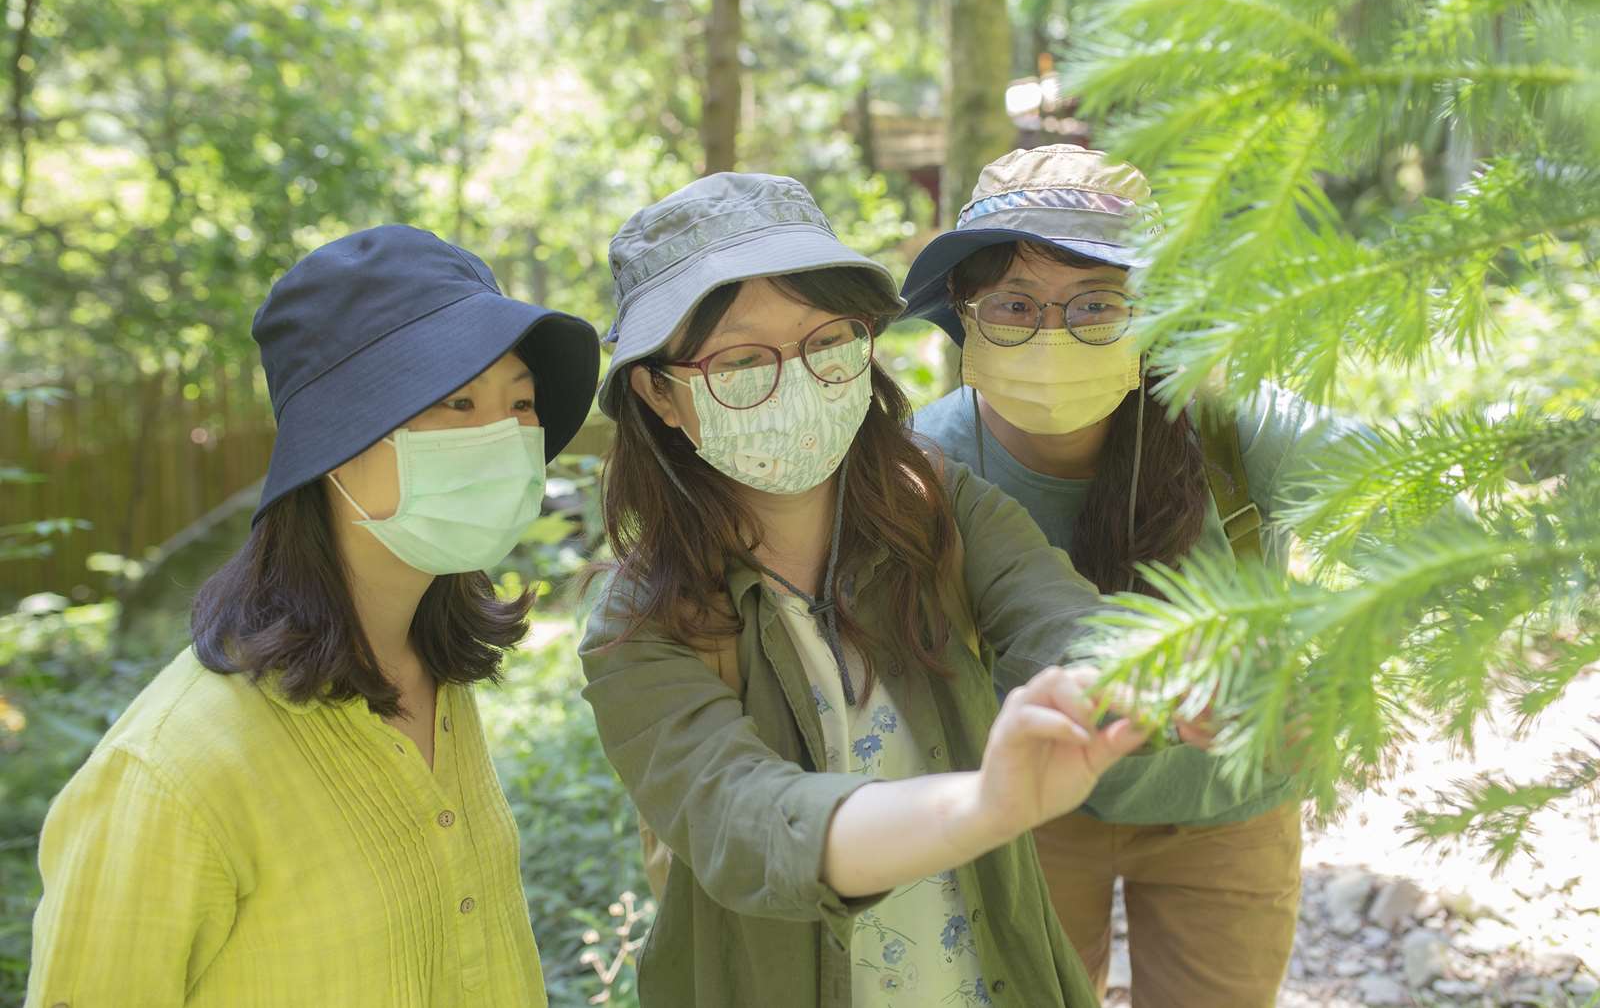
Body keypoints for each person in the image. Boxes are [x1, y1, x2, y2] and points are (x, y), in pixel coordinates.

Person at [578, 171, 1149, 1008]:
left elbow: (1058, 617)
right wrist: (980, 806)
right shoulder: (641, 626)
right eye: (741, 361)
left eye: (828, 341)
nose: (798, 381)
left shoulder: (938, 508)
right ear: (658, 392)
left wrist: (1145, 676)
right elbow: (745, 820)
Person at [27, 225, 599, 1007]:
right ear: (336, 440)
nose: (501, 436)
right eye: (456, 400)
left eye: (521, 401)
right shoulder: (168, 774)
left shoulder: (435, 682)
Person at [902, 144, 1365, 1008]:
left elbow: (1399, 480)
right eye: (1014, 303)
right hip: (1029, 807)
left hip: (1227, 796)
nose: (1052, 333)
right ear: (963, 314)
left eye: (1094, 304)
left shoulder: (1229, 423)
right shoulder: (928, 464)